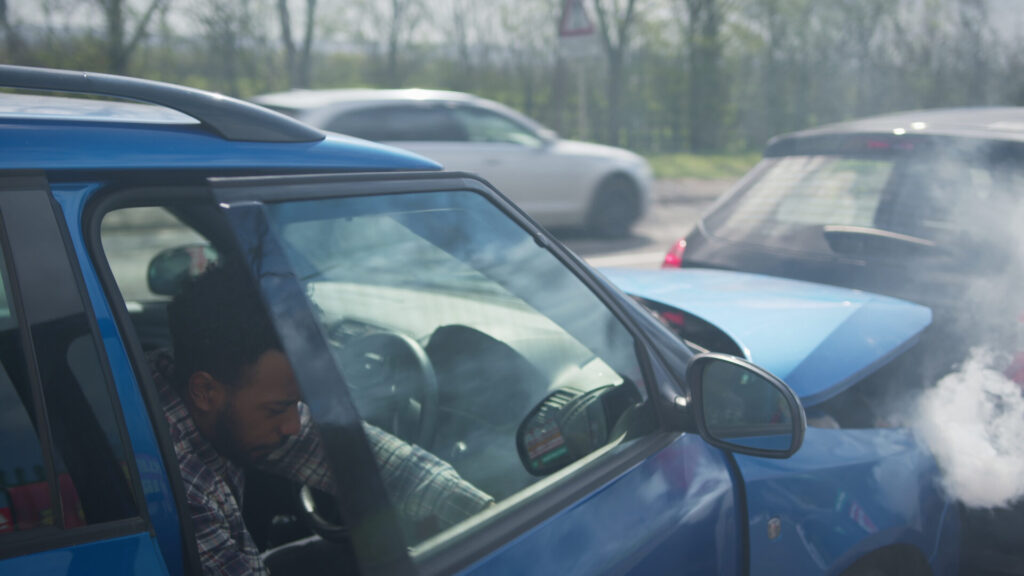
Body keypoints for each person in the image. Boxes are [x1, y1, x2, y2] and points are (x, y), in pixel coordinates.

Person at [150, 263, 492, 575]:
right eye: (278, 409)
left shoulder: (219, 398)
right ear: (205, 391)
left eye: (297, 404)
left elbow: (387, 466)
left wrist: (488, 516)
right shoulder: (177, 487)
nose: (293, 425)